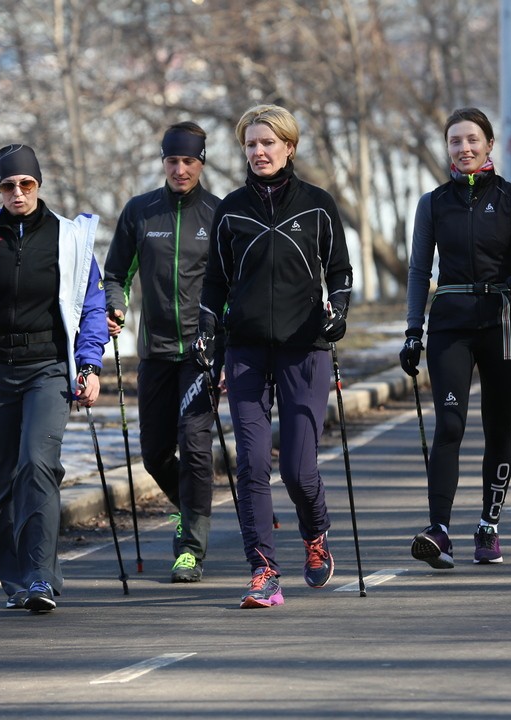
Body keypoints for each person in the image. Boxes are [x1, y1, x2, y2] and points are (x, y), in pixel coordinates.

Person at [0, 144, 108, 612]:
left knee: (37, 463)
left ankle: (40, 577)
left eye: (26, 184)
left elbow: (90, 307)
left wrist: (89, 364)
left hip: (47, 367)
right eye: (8, 186)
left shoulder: (68, 238)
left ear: (38, 184)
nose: (18, 193)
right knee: (6, 476)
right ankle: (14, 579)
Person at [194, 104, 353, 608]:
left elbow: (342, 273)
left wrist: (338, 315)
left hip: (304, 348)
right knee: (252, 464)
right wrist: (207, 330)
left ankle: (315, 537)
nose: (258, 152)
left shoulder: (318, 205)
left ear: (289, 147)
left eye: (268, 143)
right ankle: (264, 569)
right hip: (244, 349)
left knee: (299, 470)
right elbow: (216, 282)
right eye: (250, 144)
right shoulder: (231, 209)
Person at [399, 107, 511, 569]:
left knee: (497, 428)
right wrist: (411, 333)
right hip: (449, 326)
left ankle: (488, 526)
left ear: (488, 144)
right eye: (454, 141)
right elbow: (420, 271)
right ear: (447, 149)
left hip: (501, 322)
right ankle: (439, 531)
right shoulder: (433, 203)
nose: (463, 148)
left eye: (471, 139)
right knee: (451, 425)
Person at [103, 121, 222, 584]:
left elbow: (230, 287)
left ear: (201, 162)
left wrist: (222, 345)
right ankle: (190, 511)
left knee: (194, 447)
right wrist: (116, 305)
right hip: (153, 351)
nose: (179, 169)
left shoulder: (217, 213)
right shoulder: (140, 212)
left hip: (200, 352)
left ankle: (190, 547)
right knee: (154, 455)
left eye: (188, 161)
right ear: (163, 162)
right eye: (172, 161)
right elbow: (115, 274)